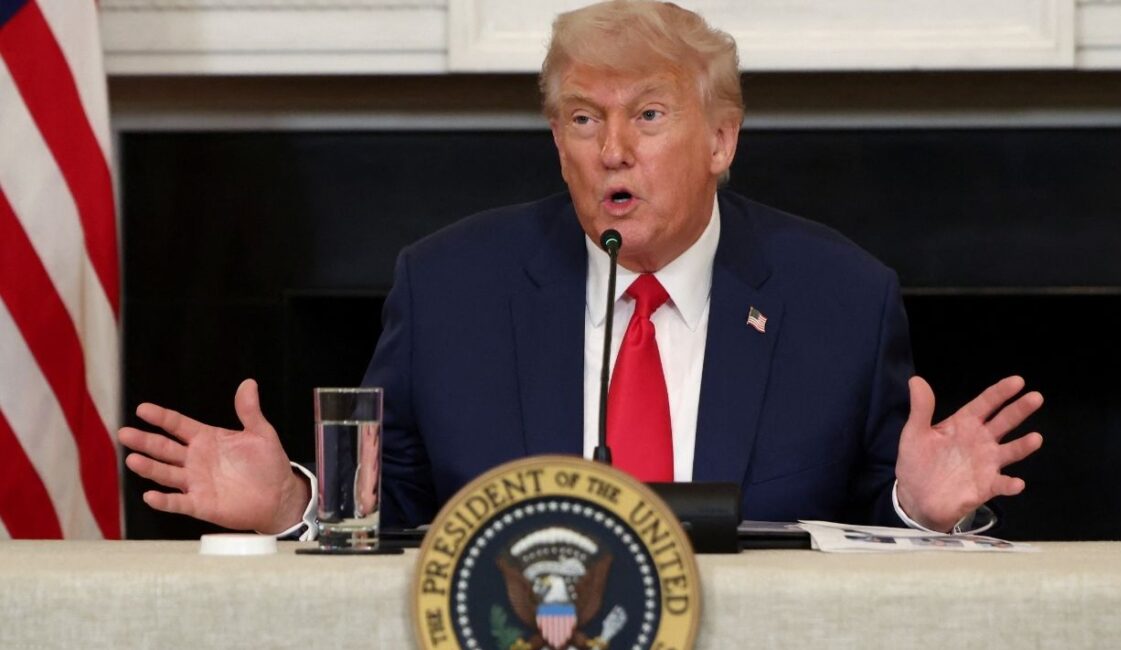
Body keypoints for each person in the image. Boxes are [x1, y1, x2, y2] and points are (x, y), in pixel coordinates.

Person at [118, 0, 1044, 538]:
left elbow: (867, 529)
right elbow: (386, 509)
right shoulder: (452, 288)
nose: (612, 152)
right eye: (582, 119)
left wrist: (919, 509)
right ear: (556, 140)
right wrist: (293, 502)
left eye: (648, 116)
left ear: (721, 138)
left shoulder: (840, 297)